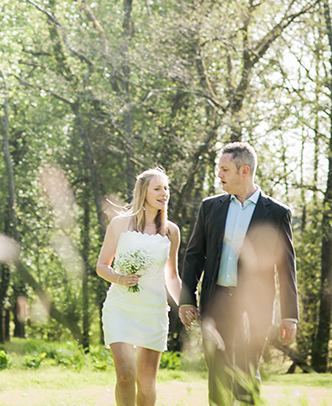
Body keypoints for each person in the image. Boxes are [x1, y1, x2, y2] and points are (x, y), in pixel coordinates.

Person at [178, 142, 299, 406]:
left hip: (253, 307)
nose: (219, 175)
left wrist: (289, 315)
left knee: (246, 373)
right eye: (218, 169)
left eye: (224, 169)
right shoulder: (210, 207)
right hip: (215, 302)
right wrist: (187, 299)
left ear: (244, 171)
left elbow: (286, 267)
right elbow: (194, 256)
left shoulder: (277, 213)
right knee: (218, 375)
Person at [96, 168, 182, 406]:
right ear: (143, 192)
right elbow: (102, 266)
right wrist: (120, 278)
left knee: (146, 385)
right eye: (157, 188)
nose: (164, 193)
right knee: (125, 374)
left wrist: (185, 304)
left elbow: (172, 277)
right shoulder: (119, 224)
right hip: (121, 308)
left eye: (166, 188)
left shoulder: (171, 231)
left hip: (153, 312)